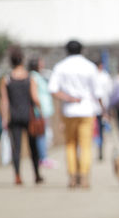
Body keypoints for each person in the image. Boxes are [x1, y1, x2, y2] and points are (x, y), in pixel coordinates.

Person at [48, 40, 106, 189]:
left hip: (69, 111)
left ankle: (73, 177)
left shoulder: (60, 67)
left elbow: (53, 89)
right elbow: (97, 92)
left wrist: (69, 98)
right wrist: (103, 109)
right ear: (82, 50)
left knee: (70, 145)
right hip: (87, 110)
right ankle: (84, 177)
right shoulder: (89, 67)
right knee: (86, 145)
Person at [0, 46, 43, 185]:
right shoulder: (29, 78)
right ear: (22, 61)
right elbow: (35, 98)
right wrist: (40, 112)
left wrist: (5, 118)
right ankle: (36, 174)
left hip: (14, 116)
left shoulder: (6, 79)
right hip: (29, 116)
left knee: (16, 148)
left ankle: (17, 175)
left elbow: (5, 101)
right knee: (33, 147)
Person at [28, 56, 56, 169]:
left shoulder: (39, 76)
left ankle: (44, 156)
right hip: (39, 111)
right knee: (41, 135)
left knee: (44, 134)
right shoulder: (34, 77)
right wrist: (39, 109)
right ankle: (43, 158)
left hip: (44, 110)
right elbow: (35, 96)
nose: (43, 64)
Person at [94, 59, 113, 161]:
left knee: (97, 131)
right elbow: (109, 91)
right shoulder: (105, 76)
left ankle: (99, 148)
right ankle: (101, 148)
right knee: (103, 129)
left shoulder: (92, 76)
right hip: (103, 106)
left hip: (93, 109)